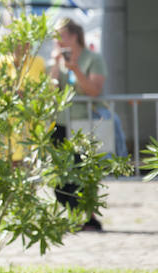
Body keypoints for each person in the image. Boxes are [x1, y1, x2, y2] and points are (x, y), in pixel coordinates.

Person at [49, 19, 120, 232]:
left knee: (85, 172)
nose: (57, 40)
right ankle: (76, 215)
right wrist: (55, 64)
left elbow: (94, 90)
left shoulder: (93, 59)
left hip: (86, 124)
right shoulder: (58, 60)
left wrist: (75, 69)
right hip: (61, 123)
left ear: (74, 36)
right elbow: (51, 92)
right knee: (60, 176)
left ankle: (88, 217)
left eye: (60, 35)